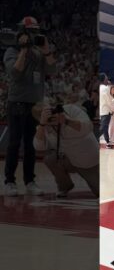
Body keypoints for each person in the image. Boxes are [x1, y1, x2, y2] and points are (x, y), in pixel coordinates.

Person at [3, 16, 57, 197]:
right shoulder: (11, 51)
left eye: (35, 31)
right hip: (17, 103)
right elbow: (15, 73)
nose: (33, 35)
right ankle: (10, 181)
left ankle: (30, 181)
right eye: (30, 32)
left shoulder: (40, 53)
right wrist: (24, 49)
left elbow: (52, 71)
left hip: (35, 105)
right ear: (22, 33)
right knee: (13, 143)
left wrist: (47, 50)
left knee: (30, 145)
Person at [32, 103, 99, 198]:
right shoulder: (44, 127)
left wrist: (67, 121)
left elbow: (88, 127)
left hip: (89, 161)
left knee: (100, 192)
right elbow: (38, 147)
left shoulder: (71, 110)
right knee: (50, 159)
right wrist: (42, 124)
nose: (51, 115)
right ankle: (65, 186)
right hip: (70, 159)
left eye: (50, 110)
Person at [99, 73, 114, 149]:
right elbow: (109, 101)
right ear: (103, 80)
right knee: (103, 127)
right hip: (106, 110)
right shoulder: (105, 88)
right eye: (106, 78)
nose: (108, 80)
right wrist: (112, 110)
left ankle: (108, 142)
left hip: (101, 110)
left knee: (104, 128)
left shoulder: (99, 87)